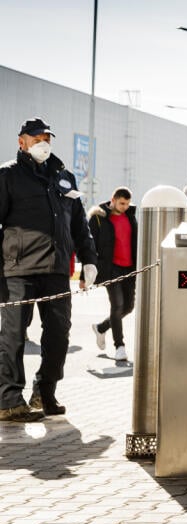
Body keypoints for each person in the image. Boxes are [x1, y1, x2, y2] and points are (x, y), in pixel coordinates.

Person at [0, 118, 98, 421]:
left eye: (46, 137)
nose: (43, 142)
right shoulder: (8, 175)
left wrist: (90, 260)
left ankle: (45, 392)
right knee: (13, 335)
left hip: (56, 268)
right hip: (18, 269)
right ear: (22, 142)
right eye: (36, 137)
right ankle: (9, 400)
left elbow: (79, 223)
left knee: (59, 334)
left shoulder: (64, 177)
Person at [84, 187, 137, 365]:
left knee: (128, 307)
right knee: (117, 305)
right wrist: (87, 271)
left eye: (128, 203)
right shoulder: (99, 218)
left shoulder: (130, 216)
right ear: (112, 199)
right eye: (122, 203)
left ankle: (101, 327)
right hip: (110, 268)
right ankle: (119, 346)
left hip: (129, 268)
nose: (125, 207)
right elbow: (89, 245)